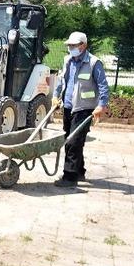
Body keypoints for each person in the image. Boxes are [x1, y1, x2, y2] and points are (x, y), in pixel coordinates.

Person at [52, 31, 109, 188]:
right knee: (72, 140)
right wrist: (55, 96)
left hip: (84, 108)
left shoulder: (93, 63)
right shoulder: (67, 60)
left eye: (73, 45)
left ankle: (70, 177)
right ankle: (79, 171)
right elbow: (62, 80)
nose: (70, 48)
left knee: (73, 142)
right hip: (68, 106)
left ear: (83, 46)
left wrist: (101, 105)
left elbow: (103, 86)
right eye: (69, 45)